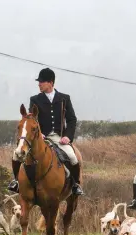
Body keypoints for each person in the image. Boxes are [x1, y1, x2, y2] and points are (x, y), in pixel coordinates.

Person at [8, 67, 84, 196]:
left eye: (42, 81)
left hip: (58, 137)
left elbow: (72, 119)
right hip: (40, 136)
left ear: (50, 82)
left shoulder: (64, 98)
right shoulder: (35, 99)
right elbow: (33, 119)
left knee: (72, 156)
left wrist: (67, 137)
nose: (39, 84)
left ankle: (76, 185)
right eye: (39, 82)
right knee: (16, 155)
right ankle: (16, 181)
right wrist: (39, 133)